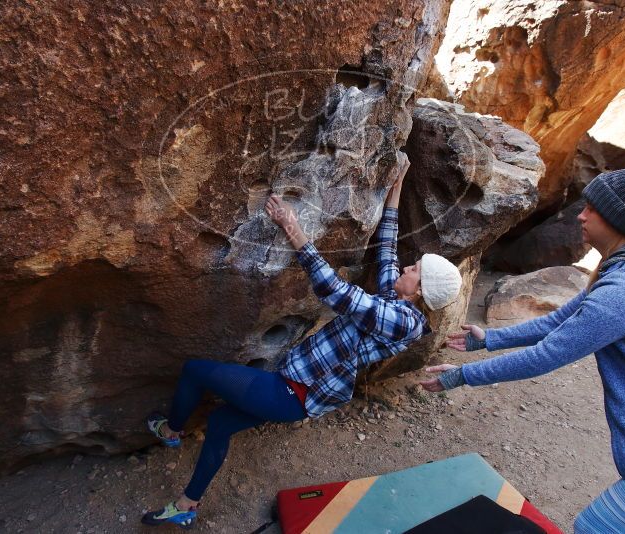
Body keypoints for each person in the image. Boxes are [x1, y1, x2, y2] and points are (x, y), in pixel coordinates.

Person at [141, 154, 462, 530]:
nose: (407, 267)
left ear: (420, 289)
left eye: (415, 271)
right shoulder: (397, 297)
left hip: (292, 393)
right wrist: (397, 185)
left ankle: (171, 431)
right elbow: (388, 244)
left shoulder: (400, 321)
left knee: (195, 372)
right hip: (296, 388)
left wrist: (292, 227)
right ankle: (187, 505)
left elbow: (336, 292)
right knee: (221, 425)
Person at [420, 168, 625, 533]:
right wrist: (489, 339)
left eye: (591, 208)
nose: (580, 215)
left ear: (616, 219)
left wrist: (461, 375)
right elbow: (558, 321)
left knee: (595, 527)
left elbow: (547, 355)